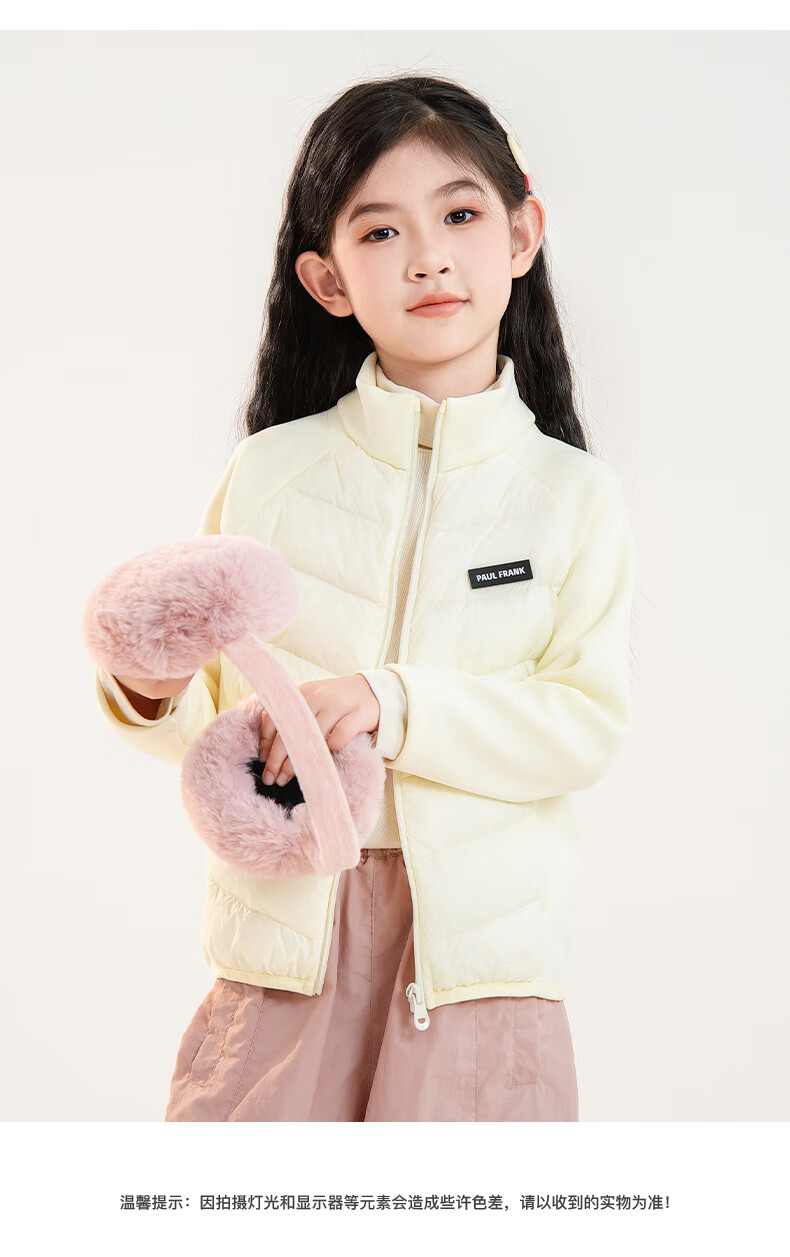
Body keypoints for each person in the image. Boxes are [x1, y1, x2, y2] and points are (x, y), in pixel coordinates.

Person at [94, 73, 637, 1122]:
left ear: (522, 234)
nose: (428, 256)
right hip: (286, 945)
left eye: (460, 215)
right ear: (328, 280)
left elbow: (581, 727)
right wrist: (150, 693)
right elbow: (224, 727)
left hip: (476, 964)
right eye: (380, 232)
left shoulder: (573, 496)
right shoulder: (271, 472)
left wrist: (390, 701)